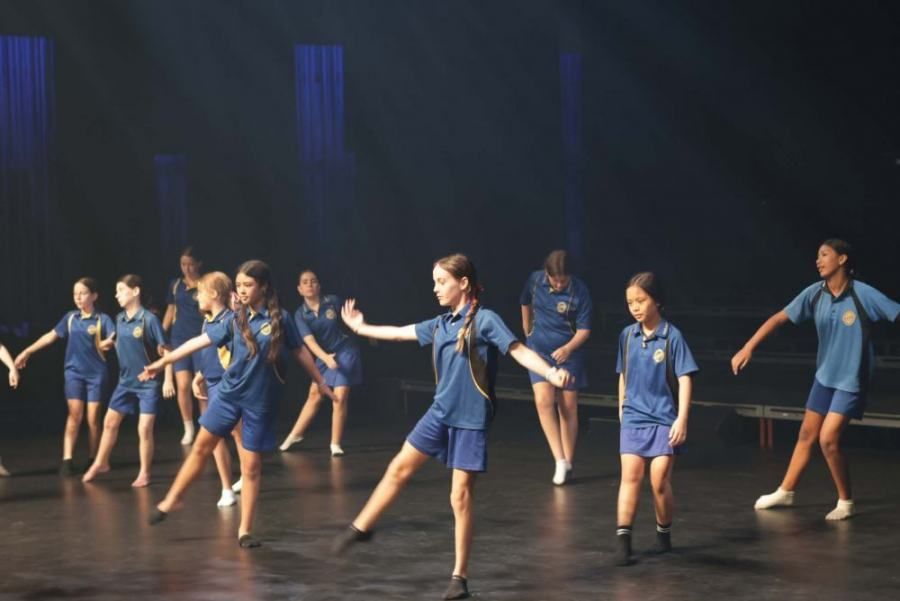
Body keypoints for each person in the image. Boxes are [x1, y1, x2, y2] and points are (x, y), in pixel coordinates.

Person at [333, 253, 572, 600]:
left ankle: (459, 578)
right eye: (434, 282)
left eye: (441, 281)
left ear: (463, 283)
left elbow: (519, 351)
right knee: (398, 467)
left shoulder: (486, 320)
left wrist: (550, 372)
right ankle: (362, 526)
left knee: (459, 497)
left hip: (470, 421)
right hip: (439, 413)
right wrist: (360, 327)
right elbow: (400, 333)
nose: (435, 288)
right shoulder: (440, 324)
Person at [141, 260, 335, 547]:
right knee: (201, 447)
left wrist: (320, 381)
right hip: (229, 395)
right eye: (239, 285)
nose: (241, 290)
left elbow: (299, 352)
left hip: (259, 402)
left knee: (252, 467)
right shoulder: (235, 318)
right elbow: (199, 342)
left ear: (263, 287)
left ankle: (245, 530)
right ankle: (174, 498)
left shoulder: (280, 318)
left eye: (248, 285)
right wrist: (164, 361)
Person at [732, 239, 900, 520]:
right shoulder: (815, 294)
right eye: (817, 256)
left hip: (851, 378)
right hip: (825, 376)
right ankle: (786, 491)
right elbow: (778, 319)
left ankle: (846, 501)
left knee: (828, 439)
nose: (818, 261)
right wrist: (748, 346)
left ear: (843, 259)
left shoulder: (862, 294)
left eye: (824, 255)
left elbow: (895, 311)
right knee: (807, 435)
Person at [615, 272, 697, 566]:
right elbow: (623, 373)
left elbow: (685, 378)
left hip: (664, 418)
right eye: (630, 302)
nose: (635, 307)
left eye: (641, 300)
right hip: (634, 418)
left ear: (657, 300)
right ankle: (623, 541)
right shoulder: (627, 336)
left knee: (658, 480)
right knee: (630, 477)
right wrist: (622, 407)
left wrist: (682, 419)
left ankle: (664, 533)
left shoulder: (672, 336)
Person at [14, 278, 115, 474]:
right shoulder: (70, 318)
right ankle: (67, 459)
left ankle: (95, 458)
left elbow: (113, 337)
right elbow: (50, 336)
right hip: (73, 373)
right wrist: (27, 351)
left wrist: (107, 343)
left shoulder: (103, 319)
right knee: (74, 414)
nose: (78, 297)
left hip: (96, 374)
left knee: (93, 417)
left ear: (94, 296)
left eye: (83, 293)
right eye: (75, 293)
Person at [82, 275, 173, 487]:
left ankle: (145, 472)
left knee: (144, 429)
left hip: (148, 383)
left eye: (121, 290)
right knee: (109, 422)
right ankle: (100, 462)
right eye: (116, 291)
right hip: (125, 383)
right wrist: (108, 343)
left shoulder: (149, 320)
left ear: (135, 291)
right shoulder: (119, 318)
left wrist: (168, 379)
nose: (117, 295)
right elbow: (120, 339)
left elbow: (167, 351)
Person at [520, 250, 592, 485]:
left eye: (564, 279)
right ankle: (559, 459)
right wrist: (527, 329)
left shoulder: (579, 291)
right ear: (547, 274)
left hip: (568, 354)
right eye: (555, 279)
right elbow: (524, 302)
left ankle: (569, 461)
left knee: (567, 406)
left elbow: (584, 330)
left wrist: (568, 349)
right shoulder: (534, 280)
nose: (559, 283)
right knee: (543, 400)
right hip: (539, 351)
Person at [280, 270, 363, 456]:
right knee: (315, 396)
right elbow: (309, 341)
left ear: (319, 285)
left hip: (346, 351)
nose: (309, 284)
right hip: (324, 356)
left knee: (339, 396)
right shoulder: (300, 314)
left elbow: (351, 319)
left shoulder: (332, 301)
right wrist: (325, 358)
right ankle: (295, 434)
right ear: (299, 289)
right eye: (305, 282)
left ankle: (335, 444)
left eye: (313, 281)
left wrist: (359, 323)